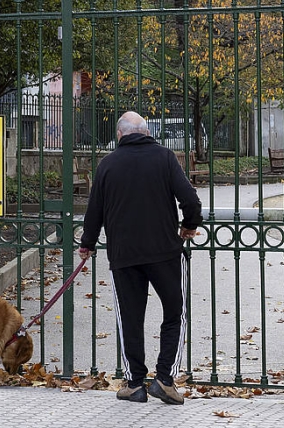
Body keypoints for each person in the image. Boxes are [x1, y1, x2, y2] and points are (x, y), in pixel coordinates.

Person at [78, 111, 202, 405]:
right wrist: (188, 226)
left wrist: (87, 244)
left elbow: (94, 210)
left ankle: (134, 383)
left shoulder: (107, 164)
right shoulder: (165, 157)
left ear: (120, 135)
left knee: (130, 318)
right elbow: (190, 199)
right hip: (165, 252)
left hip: (124, 255)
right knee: (175, 313)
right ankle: (165, 379)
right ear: (146, 132)